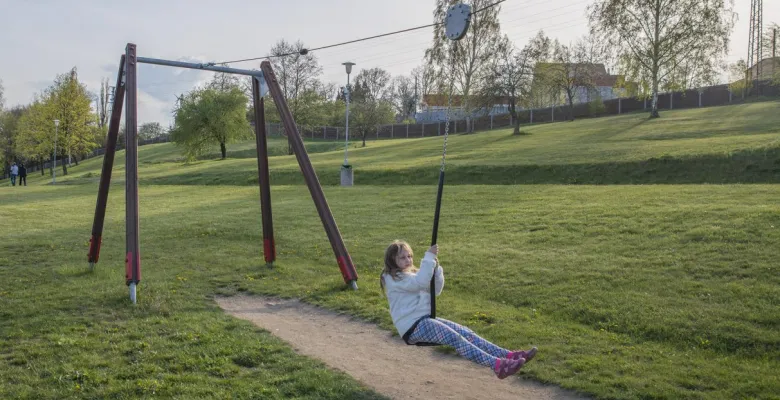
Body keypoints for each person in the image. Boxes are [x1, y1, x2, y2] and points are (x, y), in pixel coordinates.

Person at [380, 240, 537, 379]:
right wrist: (429, 257)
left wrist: (436, 271)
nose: (408, 260)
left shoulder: (411, 276)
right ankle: (498, 365)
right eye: (402, 257)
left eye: (409, 256)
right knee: (456, 338)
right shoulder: (395, 280)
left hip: (423, 321)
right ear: (392, 261)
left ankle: (508, 355)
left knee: (466, 333)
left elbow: (435, 291)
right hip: (412, 326)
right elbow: (421, 282)